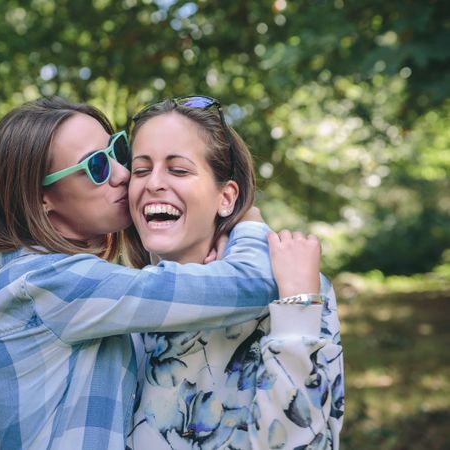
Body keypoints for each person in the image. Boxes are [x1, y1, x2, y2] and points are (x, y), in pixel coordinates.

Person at [0, 96, 317, 450]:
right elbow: (251, 284)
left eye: (117, 152)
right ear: (41, 197)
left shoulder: (67, 293)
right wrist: (250, 223)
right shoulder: (51, 284)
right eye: (96, 167)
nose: (123, 174)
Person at [124, 96, 344, 449]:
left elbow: (306, 441)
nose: (154, 183)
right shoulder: (115, 299)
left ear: (226, 198)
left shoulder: (293, 291)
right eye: (141, 169)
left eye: (178, 169)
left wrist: (297, 310)